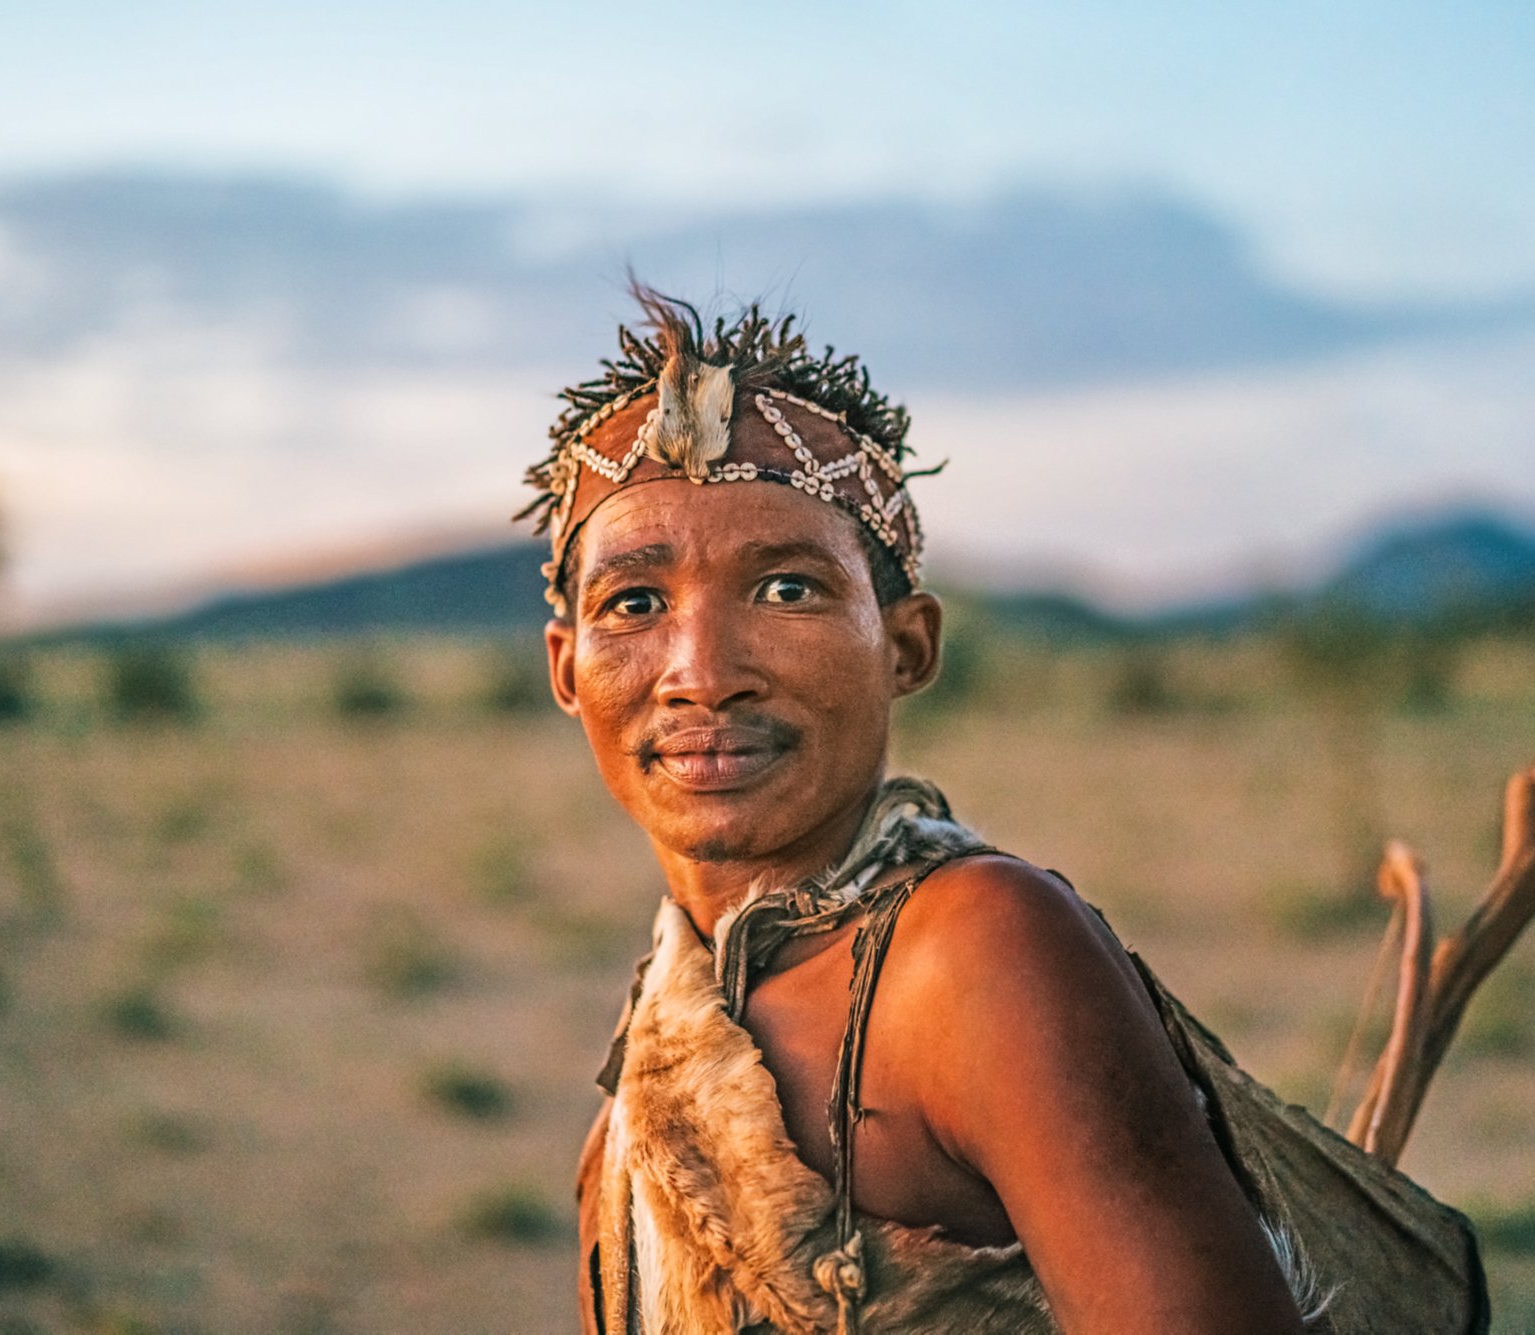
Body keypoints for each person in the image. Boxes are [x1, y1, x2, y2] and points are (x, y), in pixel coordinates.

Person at [520, 288, 1483, 1334]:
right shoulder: (660, 1036)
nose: (700, 674)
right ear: (567, 669)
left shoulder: (980, 955)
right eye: (634, 604)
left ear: (907, 648)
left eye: (788, 589)